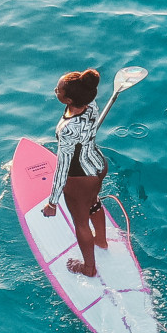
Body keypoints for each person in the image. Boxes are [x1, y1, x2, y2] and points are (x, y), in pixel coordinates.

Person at [41, 69, 108, 277]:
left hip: (80, 178)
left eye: (58, 90)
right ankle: (101, 241)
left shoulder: (67, 129)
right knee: (94, 203)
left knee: (81, 222)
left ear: (68, 99)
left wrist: (52, 202)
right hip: (98, 166)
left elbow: (63, 166)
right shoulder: (92, 106)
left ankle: (88, 268)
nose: (55, 90)